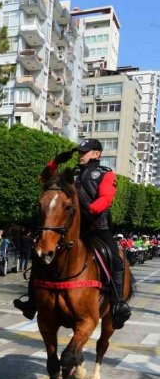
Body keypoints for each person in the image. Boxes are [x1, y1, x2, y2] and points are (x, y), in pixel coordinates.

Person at [14, 139, 131, 328]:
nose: (80, 155)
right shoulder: (71, 175)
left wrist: (87, 208)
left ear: (96, 154)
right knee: (38, 255)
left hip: (97, 228)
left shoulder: (106, 174)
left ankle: (117, 304)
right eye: (80, 152)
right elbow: (45, 179)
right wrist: (55, 161)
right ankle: (31, 301)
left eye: (85, 152)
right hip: (69, 229)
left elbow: (105, 199)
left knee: (116, 260)